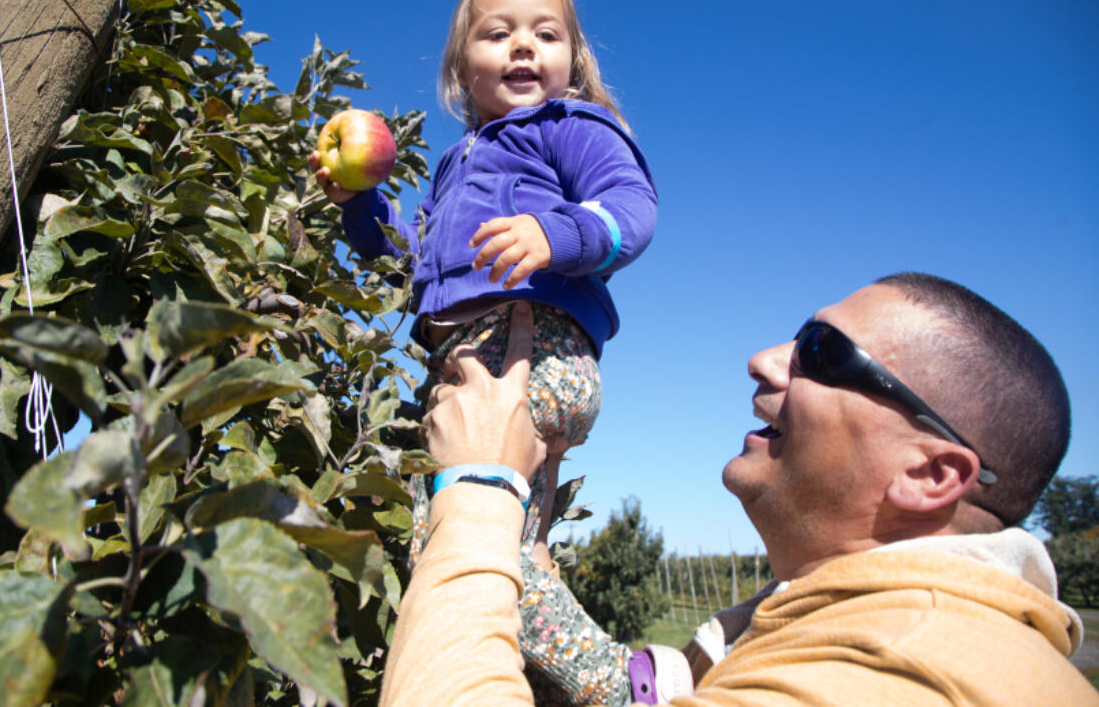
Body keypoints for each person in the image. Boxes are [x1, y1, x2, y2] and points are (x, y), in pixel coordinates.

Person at [382, 277, 1099, 707]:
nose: (763, 360)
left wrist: (478, 486)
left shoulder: (897, 675)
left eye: (822, 353)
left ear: (930, 474)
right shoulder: (859, 632)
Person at [313, 0, 657, 704]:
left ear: (574, 58)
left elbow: (632, 209)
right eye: (498, 33)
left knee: (461, 539)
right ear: (461, 69)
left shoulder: (571, 127)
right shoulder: (452, 164)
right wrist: (359, 201)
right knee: (508, 553)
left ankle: (620, 686)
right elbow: (406, 256)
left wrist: (556, 234)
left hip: (530, 346)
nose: (524, 46)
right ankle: (578, 685)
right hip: (472, 360)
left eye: (546, 33)